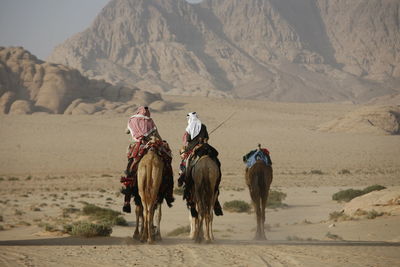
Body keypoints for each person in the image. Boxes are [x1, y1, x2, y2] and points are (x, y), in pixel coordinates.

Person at [121, 106, 174, 213]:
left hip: (137, 146)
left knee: (130, 169)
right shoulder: (150, 121)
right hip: (151, 145)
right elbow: (157, 135)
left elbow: (126, 131)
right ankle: (169, 193)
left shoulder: (132, 119)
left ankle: (127, 200)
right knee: (166, 162)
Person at [178, 112, 223, 216]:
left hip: (192, 149)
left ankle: (183, 178)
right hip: (205, 147)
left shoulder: (189, 128)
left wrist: (194, 143)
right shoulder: (203, 126)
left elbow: (187, 141)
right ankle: (217, 182)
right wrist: (203, 140)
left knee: (185, 162)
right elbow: (206, 138)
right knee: (216, 160)